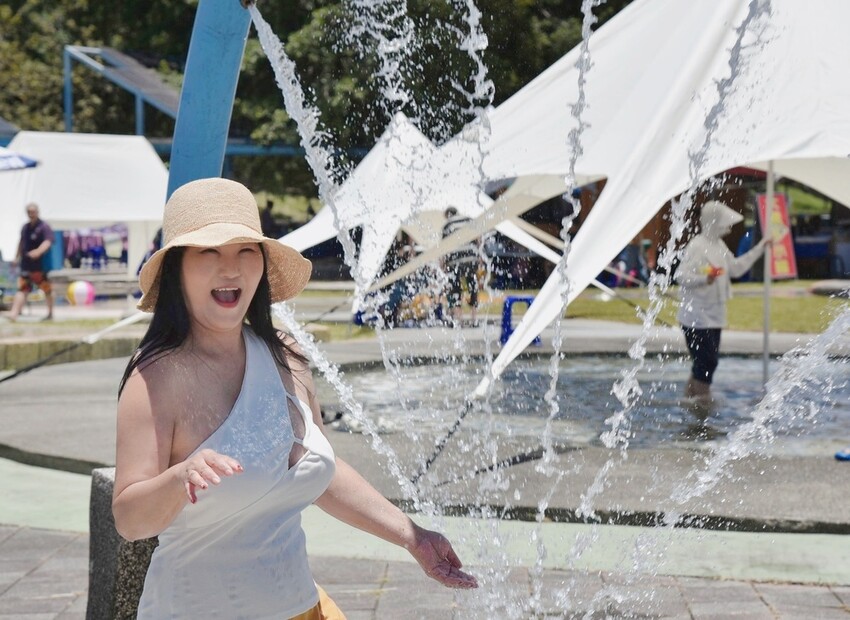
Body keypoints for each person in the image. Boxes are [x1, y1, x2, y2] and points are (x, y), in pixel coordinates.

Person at [112, 178, 477, 619]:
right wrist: (179, 478)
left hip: (304, 608)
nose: (231, 268)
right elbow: (130, 521)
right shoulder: (155, 376)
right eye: (209, 252)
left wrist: (413, 537)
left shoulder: (285, 354)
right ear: (177, 269)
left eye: (246, 251)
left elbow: (321, 472)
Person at [675, 200, 773, 399]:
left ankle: (691, 401)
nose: (728, 227)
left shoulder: (719, 245)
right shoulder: (697, 246)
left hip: (715, 314)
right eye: (723, 222)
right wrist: (704, 279)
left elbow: (735, 268)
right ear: (713, 222)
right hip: (696, 317)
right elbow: (681, 276)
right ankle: (702, 403)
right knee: (706, 363)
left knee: (706, 363)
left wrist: (761, 248)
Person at [8, 203, 54, 322]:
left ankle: (50, 313)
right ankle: (14, 313)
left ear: (37, 212)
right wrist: (16, 257)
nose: (31, 214)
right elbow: (21, 242)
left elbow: (48, 241)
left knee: (47, 289)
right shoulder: (25, 227)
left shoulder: (44, 227)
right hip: (26, 264)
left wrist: (38, 251)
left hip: (40, 265)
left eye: (33, 212)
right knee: (22, 288)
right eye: (29, 212)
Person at [441, 206, 482, 326]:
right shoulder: (468, 220)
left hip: (455, 261)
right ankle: (474, 318)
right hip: (471, 258)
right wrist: (479, 257)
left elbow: (444, 246)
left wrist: (443, 263)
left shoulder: (447, 225)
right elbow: (478, 239)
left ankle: (459, 319)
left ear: (448, 215)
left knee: (455, 287)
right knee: (473, 286)